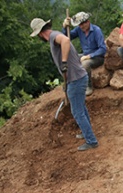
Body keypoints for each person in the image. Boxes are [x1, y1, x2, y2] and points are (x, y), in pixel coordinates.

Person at [30, 18, 99, 151]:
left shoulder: (54, 36)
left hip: (77, 79)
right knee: (81, 108)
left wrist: (64, 62)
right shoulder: (54, 36)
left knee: (77, 111)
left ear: (39, 34)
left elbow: (66, 40)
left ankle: (91, 141)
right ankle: (87, 133)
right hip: (77, 78)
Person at [62, 12, 107, 96]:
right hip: (85, 55)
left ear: (88, 22)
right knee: (68, 59)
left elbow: (103, 49)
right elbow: (67, 37)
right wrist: (65, 27)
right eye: (79, 24)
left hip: (97, 57)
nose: (81, 26)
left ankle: (88, 86)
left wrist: (89, 56)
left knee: (85, 64)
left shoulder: (96, 30)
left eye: (82, 24)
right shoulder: (79, 30)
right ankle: (71, 83)